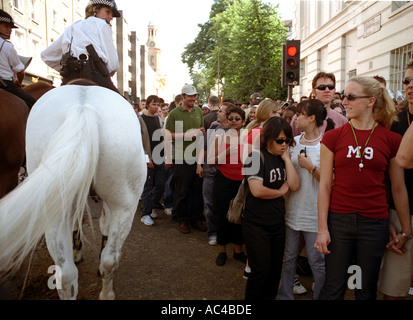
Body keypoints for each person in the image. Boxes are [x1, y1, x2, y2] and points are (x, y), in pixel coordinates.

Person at [315, 76, 412, 300]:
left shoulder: (391, 139)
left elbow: (398, 188)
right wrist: (322, 229)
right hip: (339, 220)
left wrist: (406, 230)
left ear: (370, 101)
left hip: (374, 223)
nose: (344, 101)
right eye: (344, 95)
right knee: (334, 287)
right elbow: (325, 185)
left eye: (350, 96)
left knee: (364, 289)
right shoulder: (332, 137)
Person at [277, 99, 336, 300]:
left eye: (300, 114)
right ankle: (284, 296)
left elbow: (332, 181)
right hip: (291, 209)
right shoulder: (292, 141)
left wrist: (311, 168)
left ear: (311, 118)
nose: (296, 118)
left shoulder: (326, 144)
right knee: (288, 258)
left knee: (317, 262)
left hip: (314, 213)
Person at [243, 116, 299, 300]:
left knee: (275, 272)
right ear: (268, 138)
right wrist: (280, 191)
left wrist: (287, 159)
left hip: (277, 222)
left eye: (288, 141)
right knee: (261, 271)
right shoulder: (255, 157)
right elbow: (257, 191)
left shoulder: (283, 158)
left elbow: (295, 184)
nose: (284, 144)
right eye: (280, 140)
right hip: (256, 223)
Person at [378, 60, 413, 300]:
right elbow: (394, 179)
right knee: (394, 289)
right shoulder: (396, 124)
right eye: (407, 80)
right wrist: (403, 229)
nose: (410, 85)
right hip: (401, 216)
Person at [41, 0, 121, 93]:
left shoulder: (72, 27)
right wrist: (108, 71)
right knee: (123, 104)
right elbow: (113, 64)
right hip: (97, 75)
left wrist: (68, 68)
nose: (110, 17)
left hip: (70, 77)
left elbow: (47, 56)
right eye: (107, 12)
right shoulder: (102, 24)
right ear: (95, 9)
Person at [207, 104, 247, 266]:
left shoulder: (248, 137)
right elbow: (210, 161)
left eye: (237, 119)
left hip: (242, 182)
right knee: (221, 214)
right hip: (223, 180)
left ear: (243, 121)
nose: (233, 121)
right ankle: (222, 250)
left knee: (239, 216)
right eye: (230, 118)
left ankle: (238, 250)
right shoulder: (220, 137)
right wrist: (226, 153)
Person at [164, 84, 206, 234]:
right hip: (181, 157)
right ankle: (182, 220)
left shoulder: (199, 111)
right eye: (190, 96)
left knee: (197, 190)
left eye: (195, 96)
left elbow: (201, 130)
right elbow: (167, 135)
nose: (193, 99)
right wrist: (186, 135)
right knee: (182, 191)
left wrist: (201, 132)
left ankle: (196, 218)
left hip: (197, 157)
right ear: (183, 96)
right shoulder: (174, 114)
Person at [197, 102, 230, 246]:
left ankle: (225, 233)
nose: (218, 112)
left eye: (221, 111)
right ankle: (213, 233)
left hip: (225, 175)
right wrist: (199, 164)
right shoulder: (213, 126)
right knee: (209, 206)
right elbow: (204, 147)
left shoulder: (236, 131)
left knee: (225, 206)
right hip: (209, 174)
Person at [291, 72, 348, 136]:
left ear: (334, 90)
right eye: (322, 87)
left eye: (330, 87)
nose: (327, 90)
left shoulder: (342, 121)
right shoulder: (299, 117)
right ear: (313, 91)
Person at [0, 10, 36, 110]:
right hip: (6, 85)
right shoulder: (7, 46)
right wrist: (19, 82)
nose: (10, 30)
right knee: (36, 105)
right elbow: (20, 71)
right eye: (6, 26)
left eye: (10, 28)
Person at [138, 95, 166, 226]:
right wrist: (145, 157)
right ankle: (145, 213)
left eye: (158, 105)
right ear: (147, 105)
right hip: (148, 157)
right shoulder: (140, 119)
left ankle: (152, 206)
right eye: (154, 104)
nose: (156, 107)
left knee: (160, 184)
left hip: (159, 155)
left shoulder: (157, 119)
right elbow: (139, 140)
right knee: (148, 186)